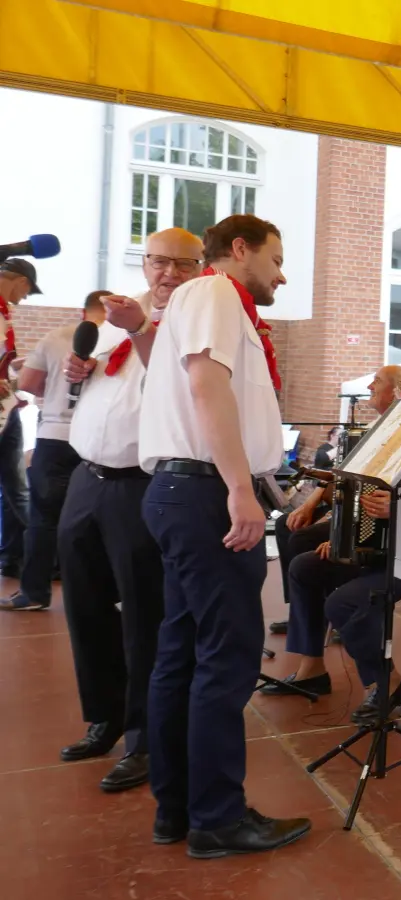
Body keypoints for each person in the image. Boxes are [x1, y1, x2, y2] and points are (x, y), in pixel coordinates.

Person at [139, 214, 311, 858]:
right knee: (226, 656)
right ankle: (216, 817)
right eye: (275, 258)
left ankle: (178, 809)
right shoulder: (212, 292)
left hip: (185, 491)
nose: (281, 273)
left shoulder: (206, 300)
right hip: (204, 489)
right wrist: (240, 487)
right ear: (240, 250)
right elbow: (208, 385)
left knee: (183, 651)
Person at [55, 229, 204, 792]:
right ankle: (105, 717)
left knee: (146, 614)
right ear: (143, 264)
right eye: (158, 262)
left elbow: (180, 381)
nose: (167, 273)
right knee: (85, 607)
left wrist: (140, 329)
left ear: (199, 268)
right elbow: (107, 380)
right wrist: (78, 374)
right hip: (86, 478)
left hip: (142, 485)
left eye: (181, 264)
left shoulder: (193, 319)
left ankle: (146, 736)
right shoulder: (127, 311)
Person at [265, 358, 401, 723]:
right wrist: (344, 537)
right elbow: (369, 497)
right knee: (305, 568)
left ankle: (385, 683)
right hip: (396, 548)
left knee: (346, 602)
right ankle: (311, 670)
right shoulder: (396, 438)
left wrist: (397, 512)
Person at [260, 366, 401, 696]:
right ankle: (306, 621)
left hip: (387, 537)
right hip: (364, 520)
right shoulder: (374, 429)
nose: (369, 385)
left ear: (397, 392)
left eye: (377, 382)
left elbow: (379, 495)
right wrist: (311, 504)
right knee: (290, 526)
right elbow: (348, 479)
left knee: (303, 553)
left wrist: (340, 536)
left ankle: (313, 624)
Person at [0, 291, 108, 610]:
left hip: (56, 437)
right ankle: (103, 595)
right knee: (103, 520)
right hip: (101, 442)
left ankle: (34, 593)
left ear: (82, 311)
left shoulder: (56, 336)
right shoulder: (122, 343)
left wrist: (55, 391)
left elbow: (29, 383)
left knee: (44, 519)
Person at [0, 258, 41, 579]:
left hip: (7, 410)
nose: (25, 298)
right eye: (27, 290)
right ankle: (47, 555)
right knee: (17, 487)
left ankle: (16, 556)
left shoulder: (4, 311)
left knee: (13, 487)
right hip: (4, 409)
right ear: (19, 280)